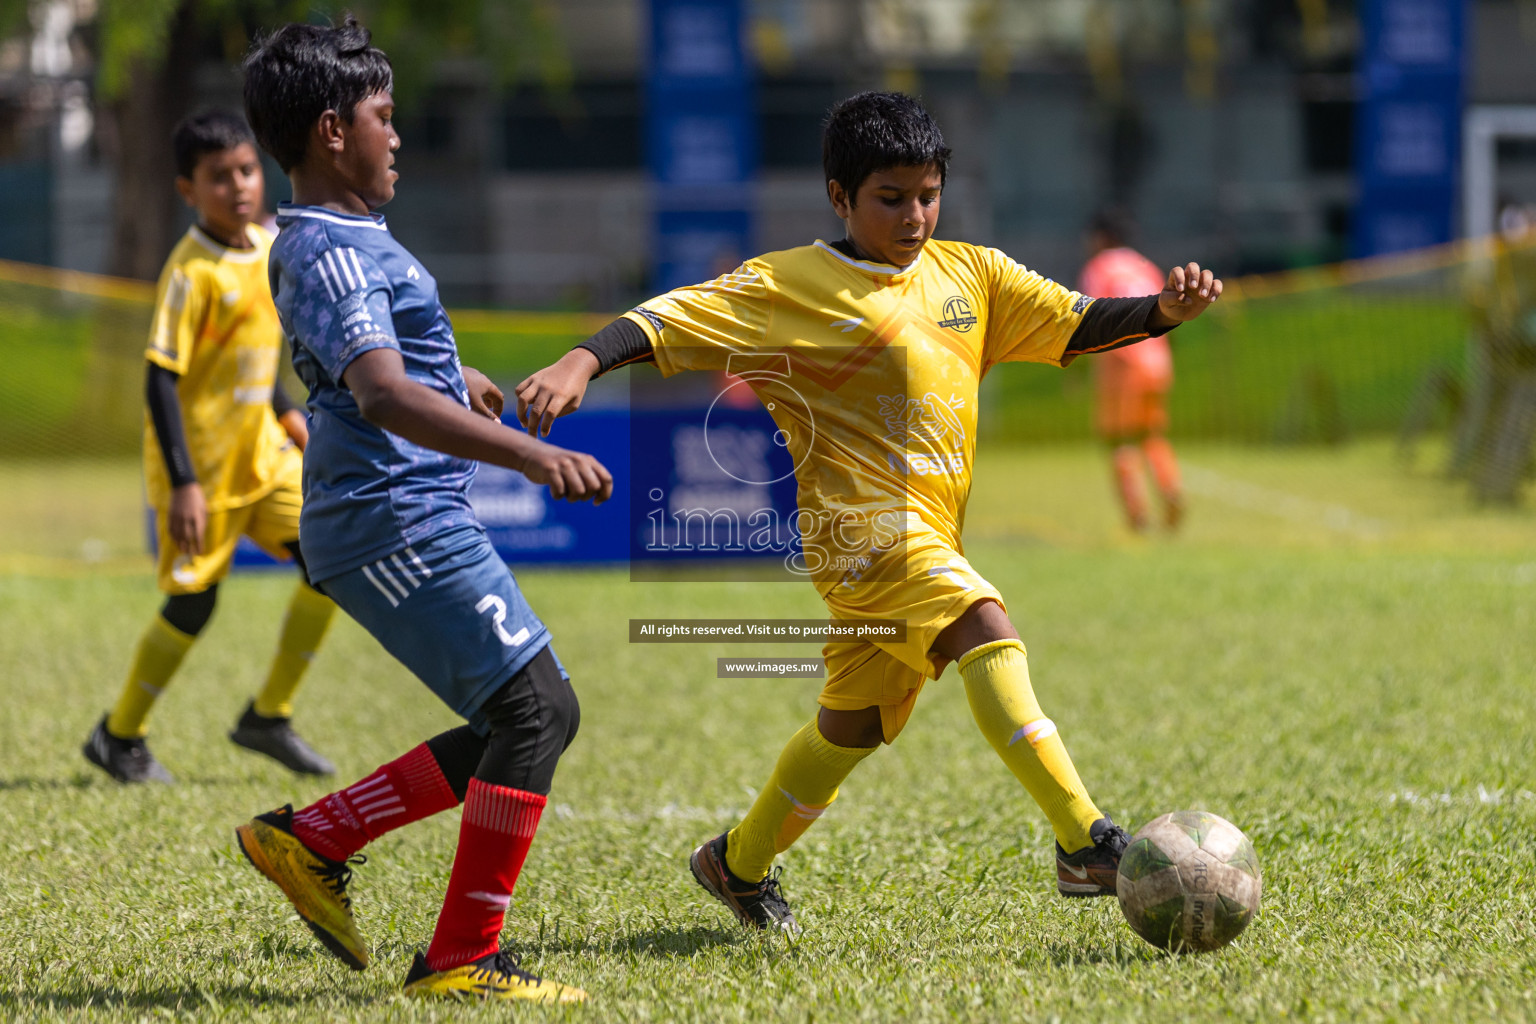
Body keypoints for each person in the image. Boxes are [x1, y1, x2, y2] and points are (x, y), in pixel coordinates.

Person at [516, 92, 1221, 937]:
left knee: (851, 727)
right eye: (891, 197)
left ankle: (735, 863)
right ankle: (1083, 841)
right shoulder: (790, 286)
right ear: (839, 197)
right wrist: (582, 359)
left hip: (928, 535)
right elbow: (669, 319)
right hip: (860, 538)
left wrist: (1161, 314)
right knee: (982, 620)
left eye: (928, 194)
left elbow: (1074, 323)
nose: (915, 215)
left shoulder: (975, 274)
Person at [234, 19, 610, 1003]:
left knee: (515, 718)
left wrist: (459, 376)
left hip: (394, 512)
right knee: (536, 709)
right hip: (390, 518)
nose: (398, 135)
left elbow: (387, 371)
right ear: (329, 130)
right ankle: (459, 957)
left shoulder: (343, 240)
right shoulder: (330, 251)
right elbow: (382, 395)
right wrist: (533, 453)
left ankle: (310, 839)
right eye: (383, 117)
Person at [83, 110, 338, 784]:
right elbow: (160, 380)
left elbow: (253, 363)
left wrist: (289, 416)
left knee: (330, 565)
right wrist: (185, 485)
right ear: (186, 191)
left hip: (264, 460)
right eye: (218, 178)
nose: (239, 187)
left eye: (247, 171)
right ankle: (118, 735)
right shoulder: (188, 272)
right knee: (195, 605)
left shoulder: (267, 245)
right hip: (201, 472)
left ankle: (269, 716)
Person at [1079, 207, 1184, 531]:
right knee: (1150, 434)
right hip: (1158, 361)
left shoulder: (1099, 267)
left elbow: (1090, 318)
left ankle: (1136, 515)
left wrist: (1079, 367)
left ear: (1101, 237)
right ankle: (1171, 490)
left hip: (1122, 362)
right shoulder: (1145, 265)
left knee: (1119, 440)